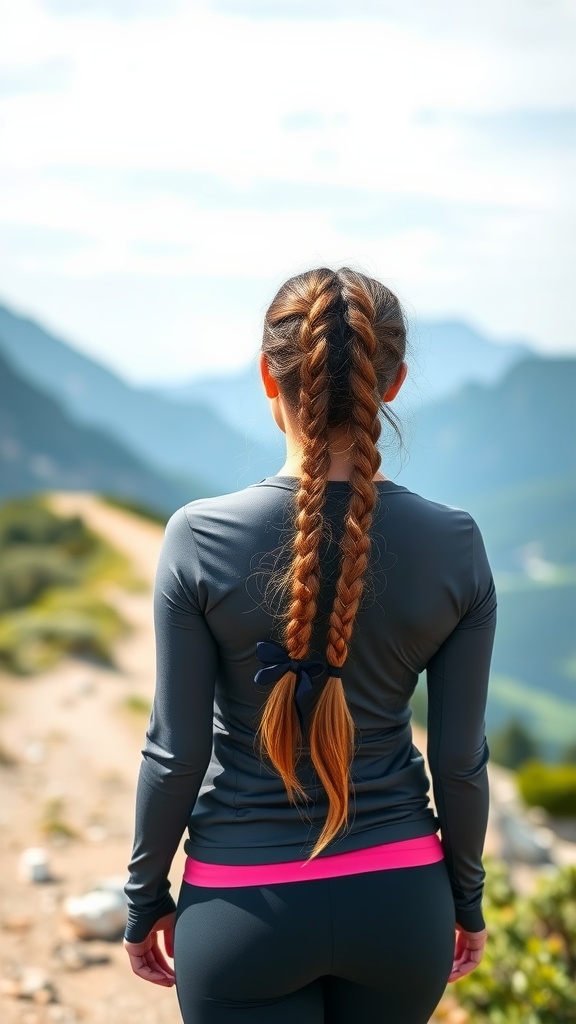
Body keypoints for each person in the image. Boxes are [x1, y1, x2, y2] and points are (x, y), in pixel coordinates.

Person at [123, 267, 496, 1024]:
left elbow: (175, 754)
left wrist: (143, 899)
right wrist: (465, 899)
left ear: (268, 374)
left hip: (241, 909)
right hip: (403, 905)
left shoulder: (198, 538)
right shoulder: (456, 544)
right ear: (390, 384)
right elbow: (460, 761)